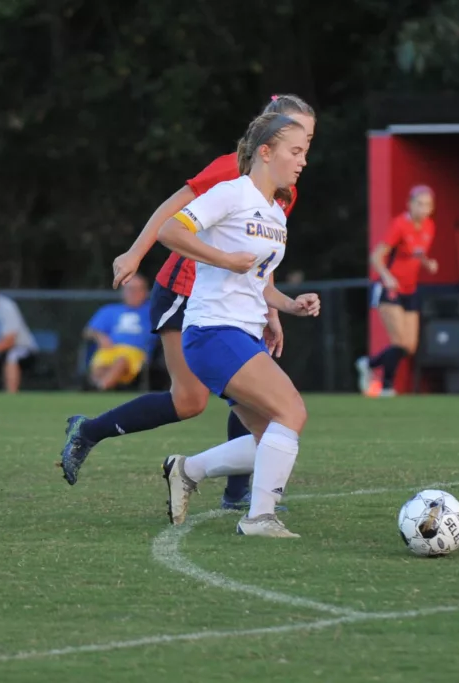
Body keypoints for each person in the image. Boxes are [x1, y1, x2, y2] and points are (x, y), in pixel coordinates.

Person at [58, 95, 316, 510]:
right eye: (296, 134)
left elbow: (259, 254)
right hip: (185, 290)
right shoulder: (235, 169)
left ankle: (236, 493)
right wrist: (135, 253)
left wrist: (272, 309)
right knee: (192, 400)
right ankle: (90, 432)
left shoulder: (284, 189)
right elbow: (174, 207)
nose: (303, 148)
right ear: (270, 135)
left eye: (309, 139)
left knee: (251, 392)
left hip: (234, 301)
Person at [156, 111, 319, 537]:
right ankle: (259, 518)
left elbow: (258, 282)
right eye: (295, 151)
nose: (303, 161)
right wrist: (224, 259)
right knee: (291, 411)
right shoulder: (231, 193)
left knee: (271, 437)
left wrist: (290, 304)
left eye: (305, 152)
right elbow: (170, 231)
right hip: (213, 331)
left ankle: (187, 470)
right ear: (265, 152)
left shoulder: (277, 214)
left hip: (242, 334)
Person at [356, 186, 438, 397]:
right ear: (410, 204)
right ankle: (387, 386)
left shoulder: (429, 226)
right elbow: (376, 256)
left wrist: (428, 264)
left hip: (410, 290)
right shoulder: (400, 225)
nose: (423, 209)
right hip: (390, 289)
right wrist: (387, 277)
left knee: (409, 346)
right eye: (419, 204)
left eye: (428, 205)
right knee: (398, 342)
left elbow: (416, 254)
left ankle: (369, 363)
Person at [82, 275, 155, 390]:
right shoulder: (109, 310)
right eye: (130, 289)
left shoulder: (153, 312)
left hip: (135, 352)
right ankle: (101, 385)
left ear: (145, 292)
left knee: (121, 360)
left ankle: (100, 388)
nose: (133, 293)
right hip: (110, 349)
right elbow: (88, 331)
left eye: (137, 289)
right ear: (123, 292)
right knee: (100, 366)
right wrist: (99, 336)